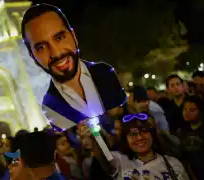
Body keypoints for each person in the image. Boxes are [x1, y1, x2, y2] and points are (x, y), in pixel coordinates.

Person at [21, 3, 126, 132]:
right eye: (41, 47)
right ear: (32, 57)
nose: (56, 53)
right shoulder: (50, 107)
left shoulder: (106, 73)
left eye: (59, 38)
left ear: (73, 36)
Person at [110, 113, 189, 180]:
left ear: (152, 135)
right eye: (132, 134)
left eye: (144, 131)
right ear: (126, 140)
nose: (140, 137)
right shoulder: (119, 160)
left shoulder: (173, 163)